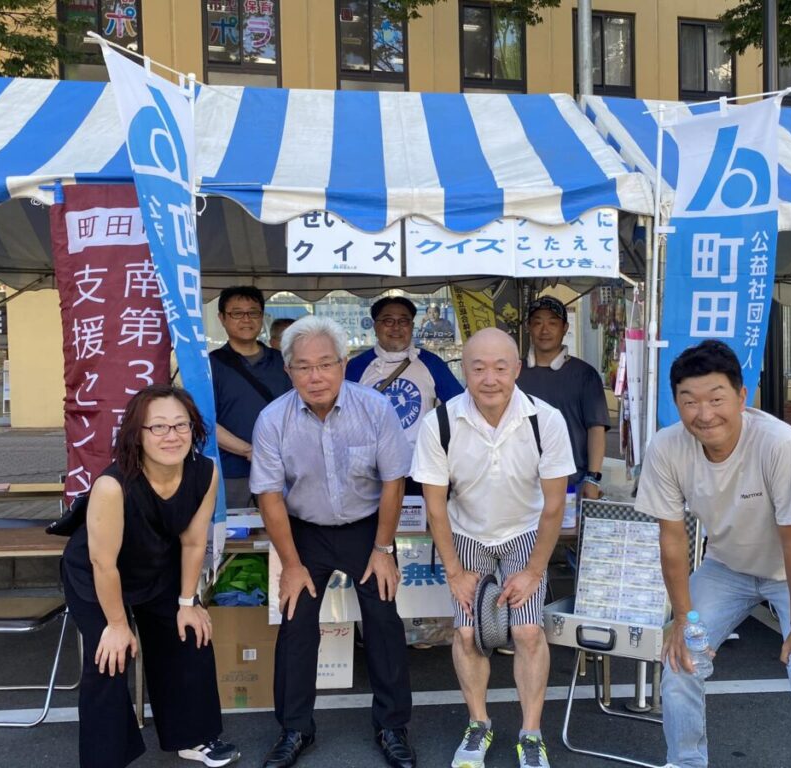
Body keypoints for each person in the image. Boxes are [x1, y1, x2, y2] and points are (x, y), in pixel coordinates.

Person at [637, 340, 791, 768]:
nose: (704, 414)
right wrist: (683, 618)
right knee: (681, 661)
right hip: (729, 567)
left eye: (716, 399)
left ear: (742, 397)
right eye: (690, 402)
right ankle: (685, 762)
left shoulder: (781, 444)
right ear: (677, 403)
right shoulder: (666, 448)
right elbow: (671, 539)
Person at [251, 316, 416, 768]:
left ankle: (392, 726)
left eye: (325, 363)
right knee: (296, 625)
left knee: (383, 622)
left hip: (367, 531)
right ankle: (295, 728)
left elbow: (393, 481)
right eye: (303, 367)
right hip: (303, 533)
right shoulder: (272, 420)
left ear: (344, 364)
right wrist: (291, 563)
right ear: (288, 372)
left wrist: (383, 550)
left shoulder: (374, 408)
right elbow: (268, 494)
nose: (316, 376)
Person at [410, 328, 575, 768]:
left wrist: (536, 570)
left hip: (524, 533)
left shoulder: (546, 419)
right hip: (467, 535)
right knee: (466, 633)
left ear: (517, 369)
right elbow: (435, 505)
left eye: (501, 367)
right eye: (478, 367)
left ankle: (531, 733)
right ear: (463, 370)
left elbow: (555, 503)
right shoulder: (439, 422)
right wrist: (454, 571)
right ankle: (478, 724)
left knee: (526, 631)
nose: (489, 378)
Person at [61, 385, 239, 768]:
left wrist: (188, 603)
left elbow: (193, 544)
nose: (171, 436)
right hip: (98, 576)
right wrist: (117, 624)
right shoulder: (112, 486)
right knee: (110, 656)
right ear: (136, 435)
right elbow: (104, 565)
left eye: (181, 425)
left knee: (189, 632)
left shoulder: (205, 473)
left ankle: (193, 736)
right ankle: (105, 758)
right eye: (157, 427)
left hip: (158, 564)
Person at [346, 296, 463, 466]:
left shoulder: (432, 364)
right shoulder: (356, 367)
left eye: (403, 321)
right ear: (375, 326)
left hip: (419, 466)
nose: (396, 327)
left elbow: (459, 406)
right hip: (370, 468)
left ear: (412, 326)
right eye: (388, 321)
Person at [516, 295, 609, 501]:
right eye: (538, 322)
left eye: (552, 323)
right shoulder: (514, 373)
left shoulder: (585, 375)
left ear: (565, 328)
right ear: (528, 327)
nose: (544, 330)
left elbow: (596, 429)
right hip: (520, 484)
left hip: (571, 483)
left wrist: (593, 478)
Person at [210, 286, 292, 508]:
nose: (246, 320)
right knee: (236, 539)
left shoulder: (284, 363)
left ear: (262, 317)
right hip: (232, 474)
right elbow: (204, 420)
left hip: (283, 471)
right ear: (222, 318)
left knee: (284, 537)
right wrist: (249, 450)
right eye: (237, 313)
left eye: (253, 312)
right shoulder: (210, 365)